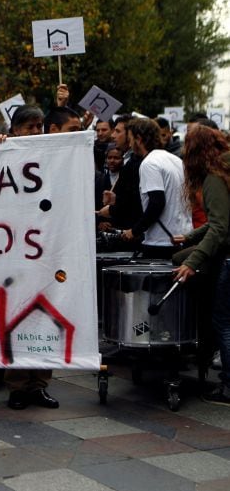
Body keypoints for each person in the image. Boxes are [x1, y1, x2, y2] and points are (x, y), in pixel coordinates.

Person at [0, 104, 60, 410]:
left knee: (44, 319)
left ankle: (40, 384)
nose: (36, 132)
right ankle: (17, 386)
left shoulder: (52, 156)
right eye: (29, 128)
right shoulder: (5, 153)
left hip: (45, 251)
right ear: (14, 131)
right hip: (13, 254)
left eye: (40, 127)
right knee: (17, 316)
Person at [173, 125, 230, 405]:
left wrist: (193, 262)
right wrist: (192, 236)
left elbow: (220, 227)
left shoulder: (214, 177)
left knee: (223, 321)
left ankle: (229, 386)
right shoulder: (224, 170)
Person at [117, 118, 191, 259]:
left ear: (139, 139)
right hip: (183, 237)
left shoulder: (149, 163)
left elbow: (157, 202)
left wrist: (134, 231)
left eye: (131, 139)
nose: (130, 144)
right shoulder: (175, 160)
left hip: (161, 243)